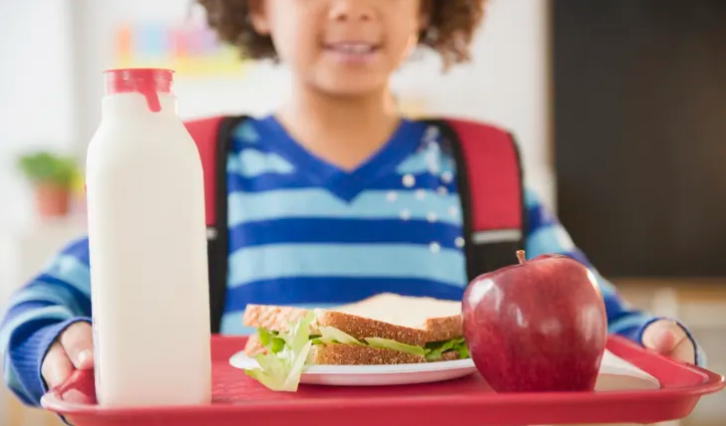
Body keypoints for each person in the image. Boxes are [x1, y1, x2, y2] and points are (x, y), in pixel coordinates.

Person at [1, 0, 704, 408]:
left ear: (427, 9)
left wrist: (653, 343)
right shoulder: (190, 167)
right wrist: (56, 345)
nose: (353, 4)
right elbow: (38, 304)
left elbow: (602, 324)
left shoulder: (483, 172)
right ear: (256, 7)